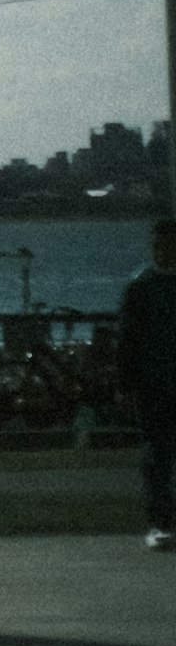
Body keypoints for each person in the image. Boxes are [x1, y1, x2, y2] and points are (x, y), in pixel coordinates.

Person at [120, 214, 176, 555]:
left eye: (166, 244)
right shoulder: (140, 287)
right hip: (154, 385)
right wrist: (126, 384)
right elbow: (128, 340)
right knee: (157, 456)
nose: (160, 250)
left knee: (158, 456)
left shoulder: (141, 287)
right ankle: (160, 522)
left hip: (156, 381)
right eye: (157, 245)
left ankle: (162, 522)